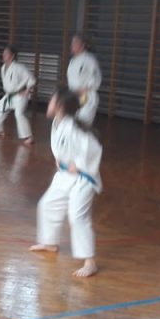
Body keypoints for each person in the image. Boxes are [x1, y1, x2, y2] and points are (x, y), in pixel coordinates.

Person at [29, 87, 102, 278]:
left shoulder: (74, 127)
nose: (49, 103)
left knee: (77, 217)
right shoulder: (59, 123)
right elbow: (62, 147)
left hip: (82, 178)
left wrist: (78, 165)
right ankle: (50, 243)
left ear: (60, 106)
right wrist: (60, 159)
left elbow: (94, 147)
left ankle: (90, 262)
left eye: (52, 100)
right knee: (47, 204)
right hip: (64, 175)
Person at [0, 45, 36, 144]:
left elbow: (31, 79)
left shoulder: (19, 67)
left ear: (12, 56)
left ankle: (29, 137)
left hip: (20, 96)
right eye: (3, 53)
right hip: (9, 96)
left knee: (19, 114)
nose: (3, 55)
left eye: (6, 53)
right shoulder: (3, 68)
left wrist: (28, 90)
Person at [66, 34, 101, 125]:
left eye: (75, 43)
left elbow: (97, 78)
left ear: (82, 45)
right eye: (72, 43)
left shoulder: (89, 60)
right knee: (72, 124)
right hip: (74, 97)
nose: (72, 45)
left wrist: (85, 89)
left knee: (82, 124)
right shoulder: (73, 61)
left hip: (86, 96)